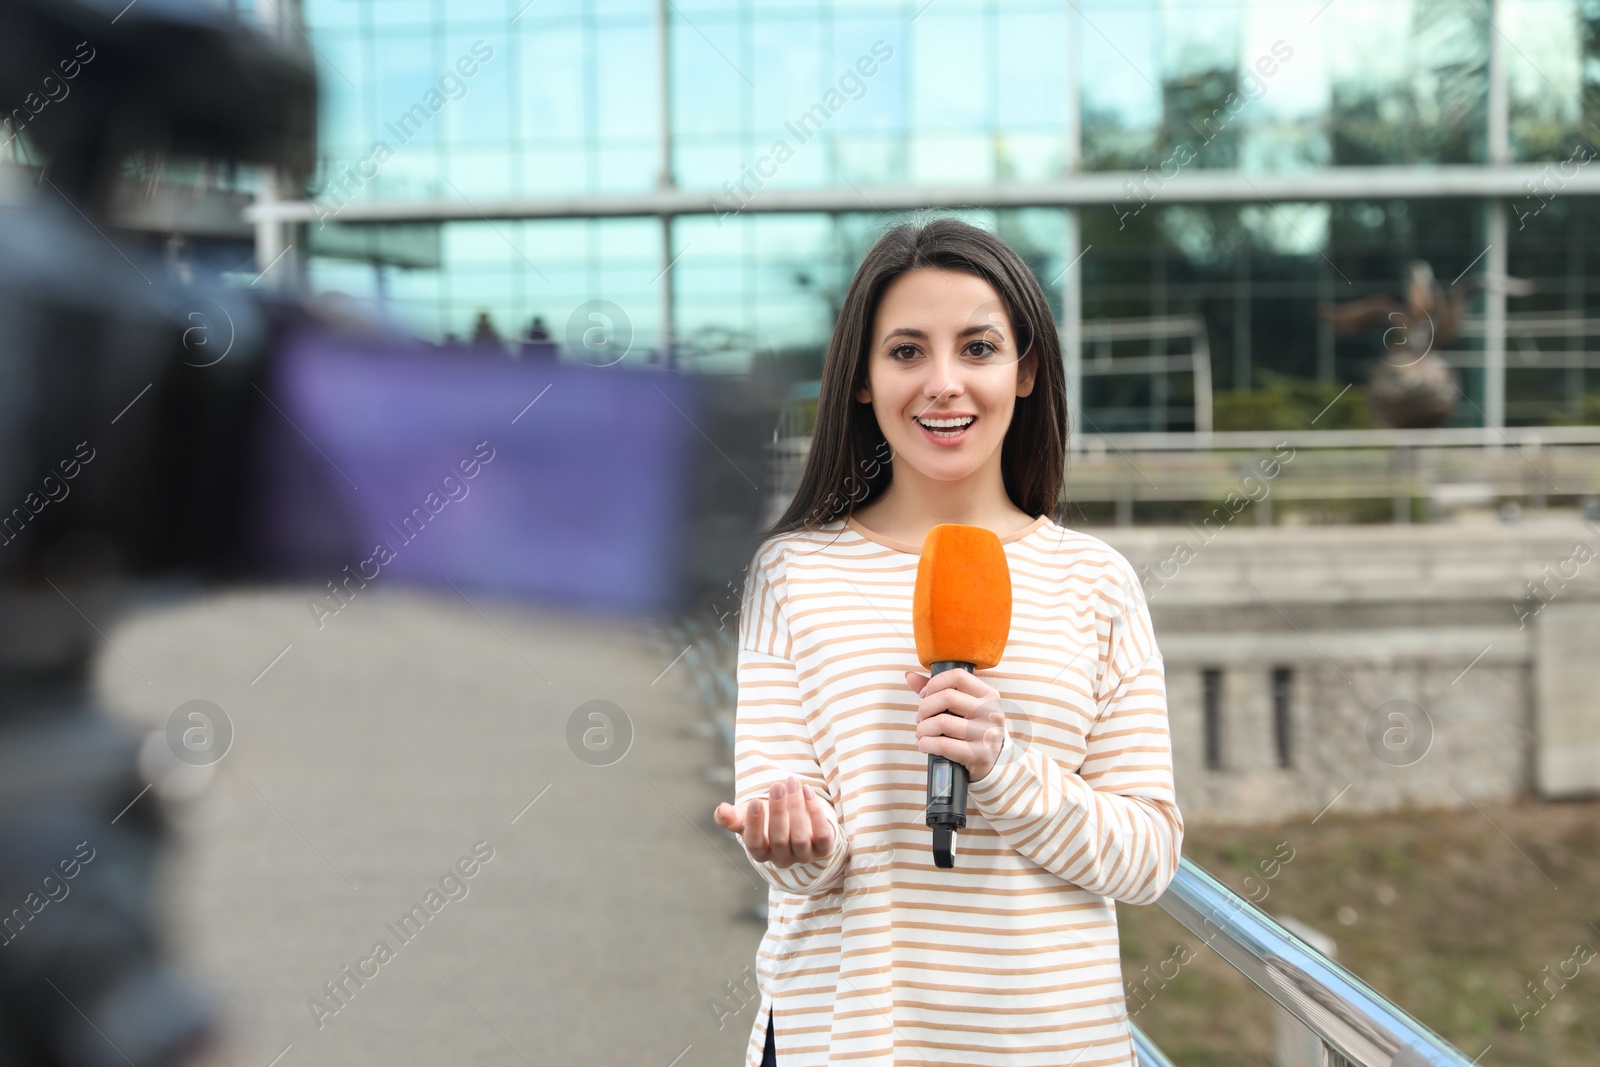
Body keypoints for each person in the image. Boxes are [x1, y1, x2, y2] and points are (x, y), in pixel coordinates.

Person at [711, 217, 1183, 1067]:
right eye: (905, 352)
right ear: (860, 379)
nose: (943, 383)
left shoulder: (1098, 582)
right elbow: (791, 847)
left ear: (1026, 369)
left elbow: (1147, 856)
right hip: (847, 1039)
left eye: (977, 348)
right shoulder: (789, 573)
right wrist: (797, 844)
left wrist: (1004, 768)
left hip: (1049, 1044)